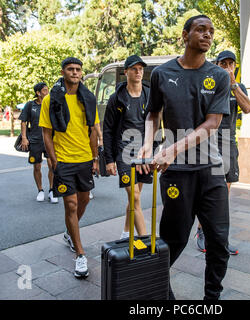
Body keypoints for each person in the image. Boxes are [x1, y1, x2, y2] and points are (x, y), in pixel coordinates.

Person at [138, 15, 231, 300]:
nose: (207, 35)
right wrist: (146, 144)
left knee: (218, 242)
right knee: (173, 241)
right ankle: (161, 293)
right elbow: (153, 113)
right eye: (201, 30)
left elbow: (212, 123)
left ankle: (211, 297)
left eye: (211, 31)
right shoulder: (161, 74)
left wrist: (172, 149)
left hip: (211, 170)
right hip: (176, 173)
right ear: (185, 34)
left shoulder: (219, 76)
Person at [39, 57, 100, 279]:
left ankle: (69, 232)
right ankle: (80, 254)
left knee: (84, 200)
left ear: (81, 73)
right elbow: (46, 132)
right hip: (63, 160)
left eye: (78, 69)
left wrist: (95, 158)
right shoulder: (51, 100)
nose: (75, 72)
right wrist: (53, 160)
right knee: (71, 205)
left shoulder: (88, 98)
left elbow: (93, 129)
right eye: (70, 69)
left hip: (84, 158)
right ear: (63, 72)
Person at [195, 50, 250, 255]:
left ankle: (219, 238)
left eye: (231, 64)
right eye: (223, 64)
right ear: (216, 65)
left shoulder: (238, 87)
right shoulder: (208, 84)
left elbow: (247, 109)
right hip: (210, 142)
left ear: (235, 66)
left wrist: (233, 84)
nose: (227, 67)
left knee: (224, 193)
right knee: (209, 190)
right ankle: (202, 231)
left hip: (229, 142)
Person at [103, 55, 152, 240]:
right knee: (136, 198)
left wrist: (154, 149)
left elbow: (155, 123)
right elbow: (107, 130)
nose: (138, 72)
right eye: (134, 68)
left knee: (135, 197)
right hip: (124, 154)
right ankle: (146, 242)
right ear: (126, 72)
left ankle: (125, 232)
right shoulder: (116, 98)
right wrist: (109, 159)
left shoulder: (150, 94)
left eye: (140, 68)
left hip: (144, 153)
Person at [19, 82, 58, 203]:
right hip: (35, 141)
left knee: (53, 165)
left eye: (48, 90)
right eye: (45, 90)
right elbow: (23, 122)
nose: (47, 92)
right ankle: (40, 190)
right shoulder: (30, 105)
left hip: (50, 140)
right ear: (38, 93)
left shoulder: (51, 104)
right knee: (37, 166)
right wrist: (24, 138)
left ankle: (52, 191)